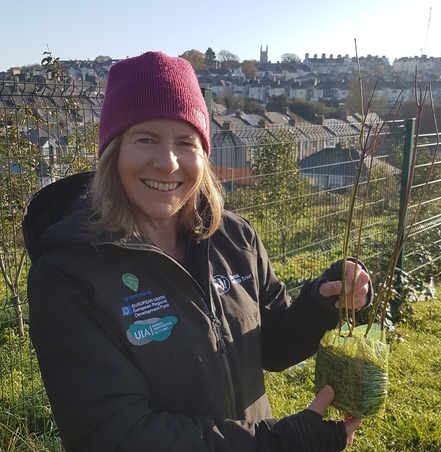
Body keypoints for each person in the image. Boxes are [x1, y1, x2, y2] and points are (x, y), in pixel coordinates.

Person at [23, 51, 371, 452]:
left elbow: (273, 347)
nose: (168, 162)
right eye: (145, 139)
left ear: (204, 155)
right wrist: (282, 444)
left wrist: (320, 302)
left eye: (186, 142)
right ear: (112, 153)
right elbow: (113, 436)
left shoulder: (235, 238)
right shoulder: (68, 273)